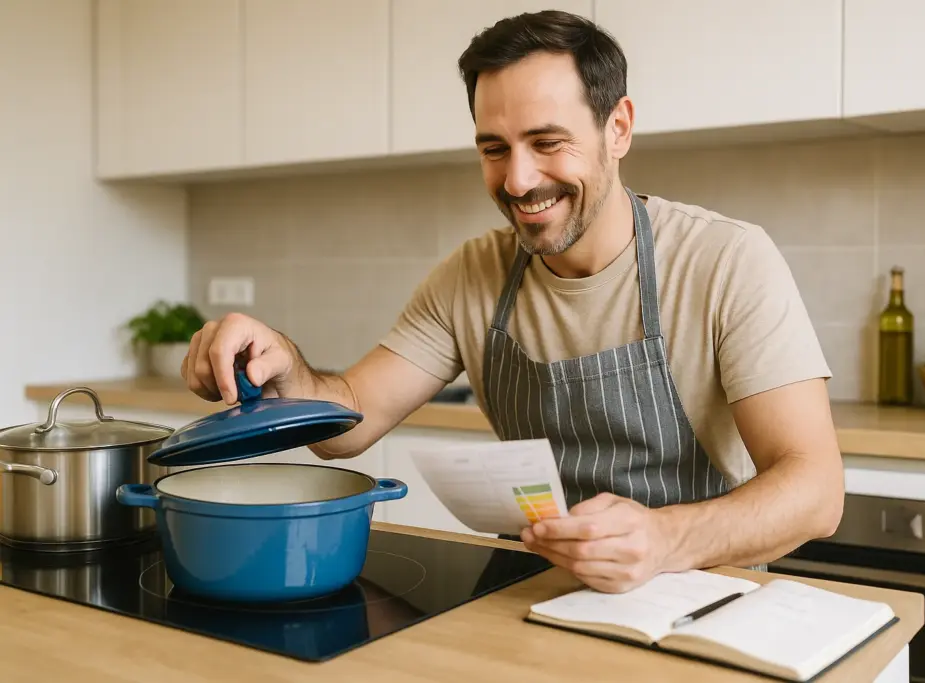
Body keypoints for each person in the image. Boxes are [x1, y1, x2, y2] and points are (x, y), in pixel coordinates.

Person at [180, 10, 845, 594]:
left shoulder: (726, 260)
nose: (519, 180)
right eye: (495, 149)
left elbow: (816, 492)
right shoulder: (470, 276)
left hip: (705, 603)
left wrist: (665, 538)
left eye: (547, 143)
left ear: (618, 128)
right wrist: (286, 365)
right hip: (532, 597)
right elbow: (347, 422)